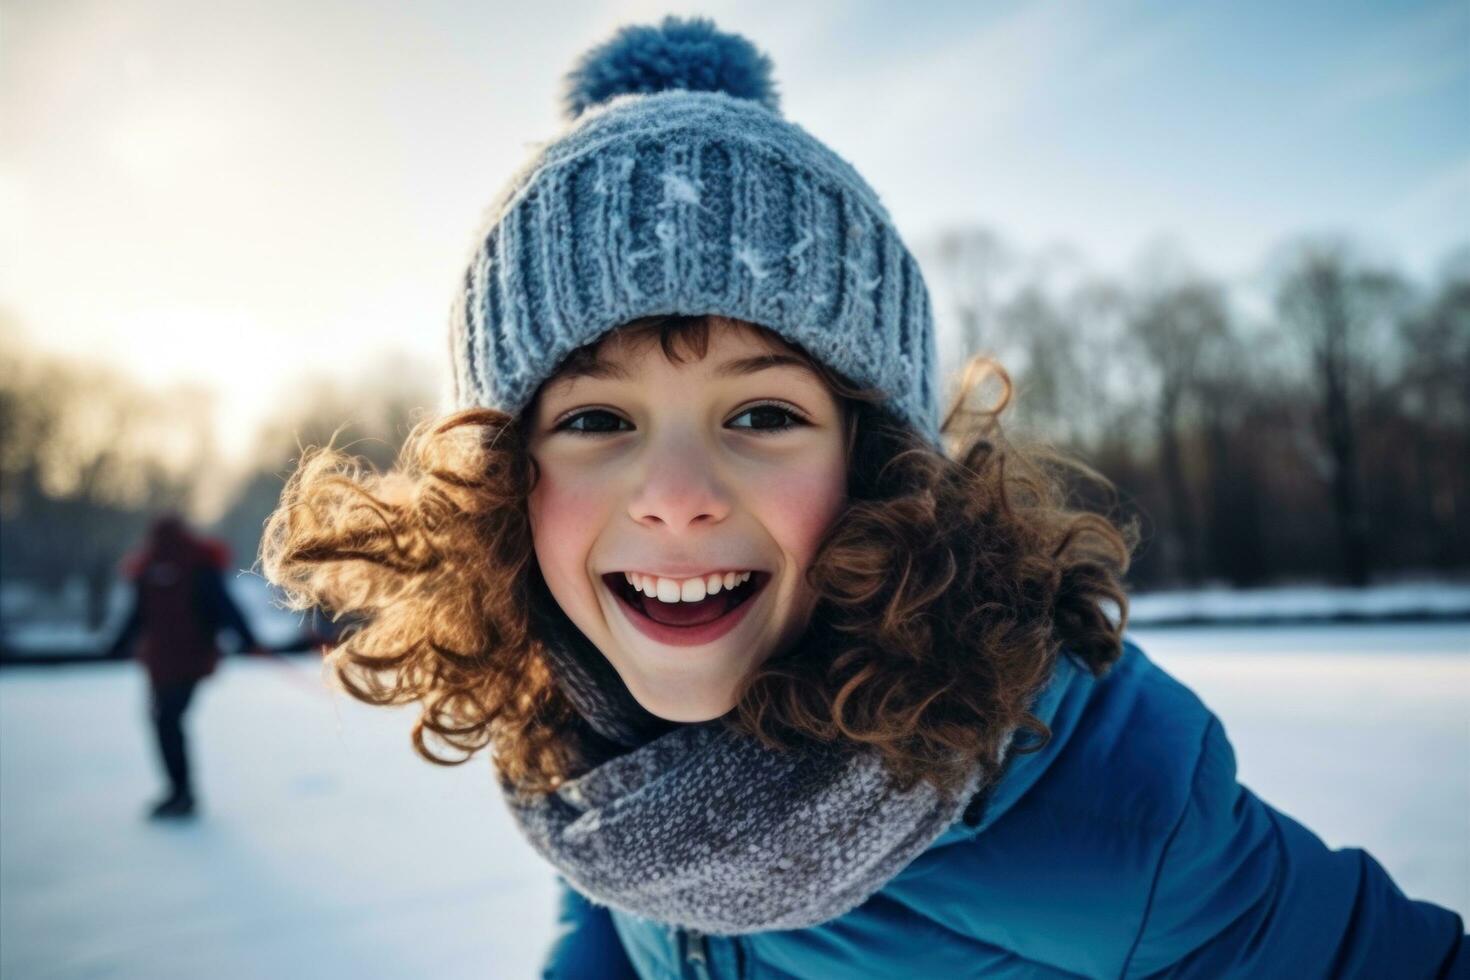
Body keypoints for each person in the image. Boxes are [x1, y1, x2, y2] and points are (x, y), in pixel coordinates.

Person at [258, 17, 1467, 979]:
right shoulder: (591, 731)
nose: (675, 497)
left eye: (763, 414)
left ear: (880, 462)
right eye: (594, 421)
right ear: (504, 490)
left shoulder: (1098, 814)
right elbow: (617, 922)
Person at [106, 512, 265, 819]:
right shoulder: (196, 565)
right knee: (168, 720)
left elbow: (136, 616)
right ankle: (181, 792)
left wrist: (116, 645)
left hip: (166, 662)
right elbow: (224, 608)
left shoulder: (150, 567)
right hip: (187, 660)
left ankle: (181, 793)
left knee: (166, 721)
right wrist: (248, 640)